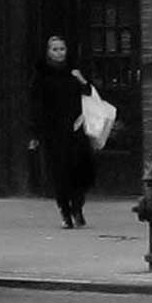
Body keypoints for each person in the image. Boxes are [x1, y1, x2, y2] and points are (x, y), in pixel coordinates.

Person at [33, 34, 96, 228]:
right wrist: (35, 133)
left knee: (80, 171)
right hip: (54, 131)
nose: (59, 53)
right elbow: (36, 105)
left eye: (62, 49)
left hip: (77, 129)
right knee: (59, 174)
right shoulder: (41, 75)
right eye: (55, 49)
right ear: (48, 52)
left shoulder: (74, 71)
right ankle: (65, 213)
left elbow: (90, 94)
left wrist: (82, 80)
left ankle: (77, 207)